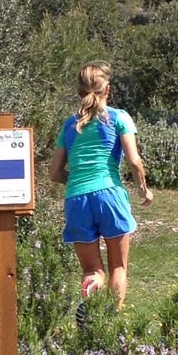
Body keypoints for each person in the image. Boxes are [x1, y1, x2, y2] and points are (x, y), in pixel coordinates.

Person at [49, 61, 153, 310]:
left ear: (79, 92)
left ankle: (92, 288)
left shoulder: (69, 125)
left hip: (76, 199)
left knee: (92, 269)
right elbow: (134, 160)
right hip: (109, 194)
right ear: (108, 90)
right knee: (118, 266)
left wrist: (74, 182)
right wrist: (143, 188)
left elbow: (53, 173)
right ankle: (111, 324)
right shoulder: (119, 118)